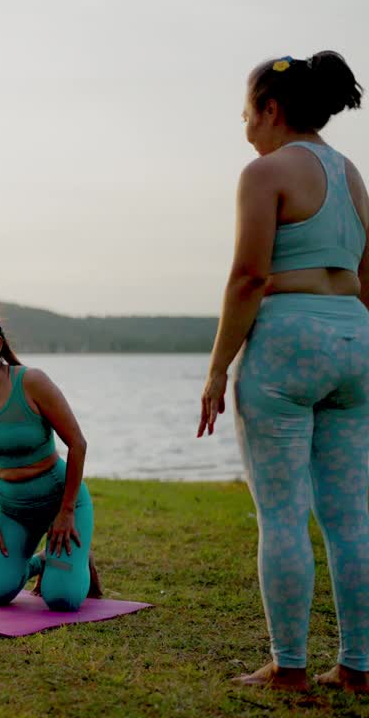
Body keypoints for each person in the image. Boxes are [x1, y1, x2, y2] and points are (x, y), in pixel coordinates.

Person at [197, 51, 368, 693]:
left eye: (247, 111)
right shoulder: (352, 175)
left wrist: (217, 372)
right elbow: (368, 276)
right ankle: (358, 664)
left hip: (288, 341)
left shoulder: (264, 171)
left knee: (282, 514)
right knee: (351, 518)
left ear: (271, 109)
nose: (245, 125)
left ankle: (288, 665)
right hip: (355, 335)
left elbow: (249, 275)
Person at [0, 309, 99, 612]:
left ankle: (77, 559)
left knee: (62, 599)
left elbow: (78, 444)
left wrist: (67, 511)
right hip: (12, 510)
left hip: (60, 501)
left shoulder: (31, 381)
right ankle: (42, 562)